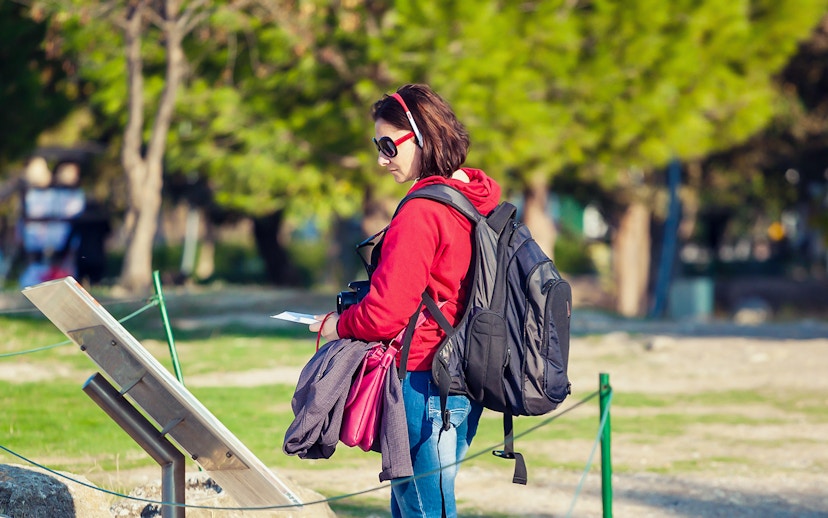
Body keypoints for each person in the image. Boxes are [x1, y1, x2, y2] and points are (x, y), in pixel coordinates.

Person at [310, 84, 501, 517]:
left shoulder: (423, 211)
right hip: (464, 377)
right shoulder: (473, 198)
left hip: (423, 377)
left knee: (422, 508)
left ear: (421, 137)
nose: (381, 160)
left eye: (387, 146)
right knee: (424, 504)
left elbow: (385, 312)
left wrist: (335, 326)